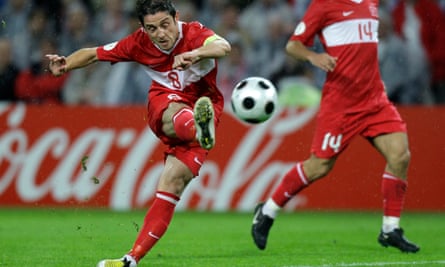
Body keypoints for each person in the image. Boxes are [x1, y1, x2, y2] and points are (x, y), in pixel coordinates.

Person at [46, 1, 230, 266]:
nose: (160, 33)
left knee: (172, 185)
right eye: (152, 28)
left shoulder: (194, 32)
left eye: (165, 25)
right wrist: (66, 65)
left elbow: (223, 46)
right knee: (177, 110)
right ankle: (195, 126)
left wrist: (197, 53)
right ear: (143, 28)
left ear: (176, 18)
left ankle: (130, 259)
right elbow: (94, 53)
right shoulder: (137, 43)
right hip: (166, 104)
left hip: (206, 106)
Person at [251, 0, 420, 254]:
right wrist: (313, 56)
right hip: (341, 103)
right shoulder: (324, 5)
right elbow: (293, 46)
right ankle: (267, 211)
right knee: (319, 167)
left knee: (400, 154)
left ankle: (390, 229)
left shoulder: (372, 2)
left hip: (374, 99)